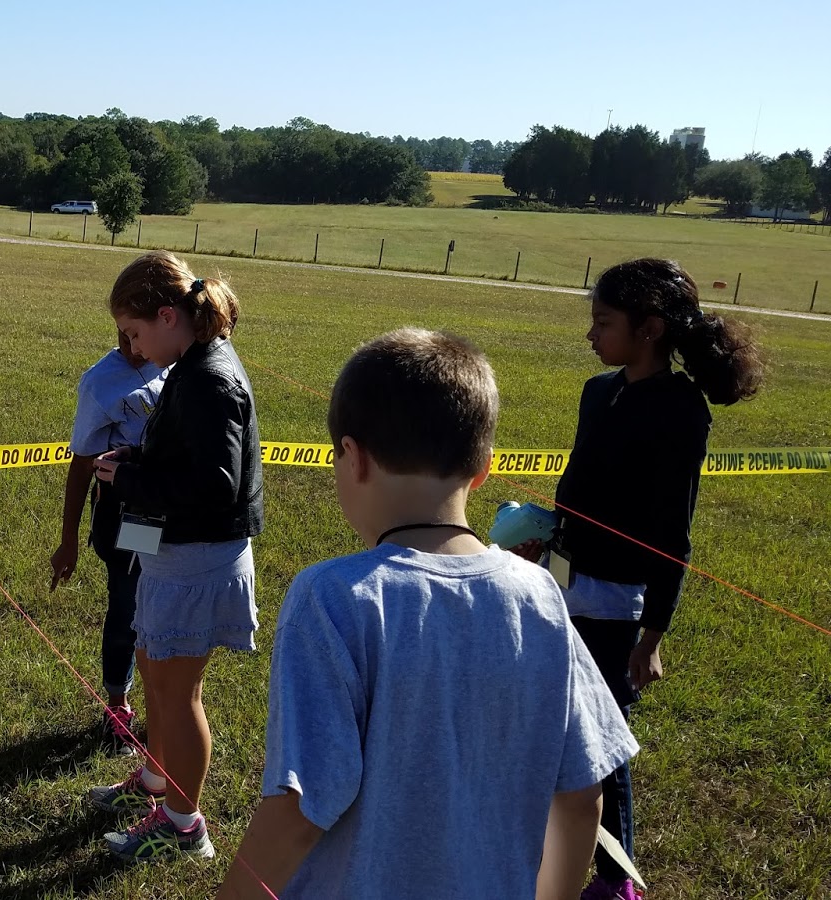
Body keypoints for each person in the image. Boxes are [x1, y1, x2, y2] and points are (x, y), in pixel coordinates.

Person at [217, 328, 639, 900]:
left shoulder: (332, 597)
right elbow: (583, 789)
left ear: (351, 458)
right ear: (484, 469)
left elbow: (301, 805)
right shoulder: (541, 596)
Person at [515, 258, 764, 900]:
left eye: (603, 322)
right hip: (562, 578)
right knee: (553, 719)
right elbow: (580, 484)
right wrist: (546, 534)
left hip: (619, 600)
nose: (591, 335)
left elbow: (671, 533)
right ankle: (553, 838)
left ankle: (616, 878)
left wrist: (652, 636)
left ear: (649, 328)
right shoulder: (599, 391)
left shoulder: (680, 411)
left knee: (601, 740)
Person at [86, 251, 263, 862]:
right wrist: (135, 464)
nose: (131, 347)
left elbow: (215, 486)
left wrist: (132, 482)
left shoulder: (209, 378)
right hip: (170, 551)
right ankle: (157, 781)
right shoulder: (188, 365)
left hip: (198, 559)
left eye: (134, 333)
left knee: (177, 691)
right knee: (152, 668)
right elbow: (185, 461)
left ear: (167, 316)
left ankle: (185, 825)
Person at [48, 329, 168, 754]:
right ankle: (118, 706)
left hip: (174, 509)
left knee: (165, 607)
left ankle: (168, 706)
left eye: (142, 331)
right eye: (128, 332)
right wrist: (69, 541)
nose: (136, 344)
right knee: (129, 604)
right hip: (127, 516)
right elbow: (80, 466)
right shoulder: (101, 381)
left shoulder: (176, 362)